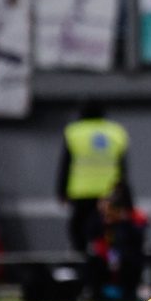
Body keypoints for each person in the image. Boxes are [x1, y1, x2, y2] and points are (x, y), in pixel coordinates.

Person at [56, 100, 129, 254]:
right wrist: (125, 195)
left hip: (81, 192)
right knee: (108, 230)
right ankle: (106, 258)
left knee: (78, 230)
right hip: (109, 192)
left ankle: (81, 259)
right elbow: (122, 167)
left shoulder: (74, 132)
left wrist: (61, 191)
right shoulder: (116, 132)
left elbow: (66, 164)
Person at [86, 180, 148, 301]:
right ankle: (97, 294)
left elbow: (134, 242)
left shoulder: (129, 223)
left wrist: (123, 222)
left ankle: (128, 294)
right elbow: (91, 235)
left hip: (125, 262)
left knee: (130, 262)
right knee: (93, 261)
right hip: (106, 261)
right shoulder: (99, 221)